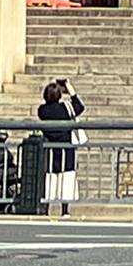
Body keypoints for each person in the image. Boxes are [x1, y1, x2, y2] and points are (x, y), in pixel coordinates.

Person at [38, 78, 86, 216]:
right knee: (66, 179)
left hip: (50, 150)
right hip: (67, 149)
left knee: (50, 179)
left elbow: (45, 109)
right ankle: (65, 210)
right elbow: (80, 107)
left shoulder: (42, 111)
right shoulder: (66, 109)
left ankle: (46, 209)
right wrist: (69, 88)